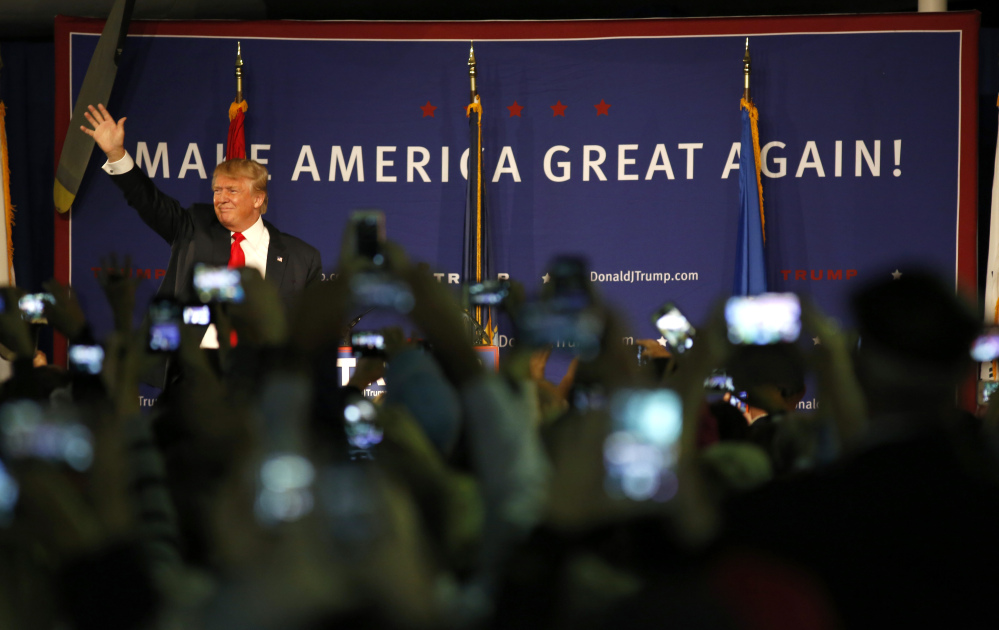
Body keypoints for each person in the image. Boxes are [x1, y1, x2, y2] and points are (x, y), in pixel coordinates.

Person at [80, 104, 322, 316]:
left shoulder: (300, 258)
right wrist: (115, 153)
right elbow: (148, 201)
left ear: (258, 199)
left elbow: (310, 331)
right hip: (195, 364)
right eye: (217, 190)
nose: (221, 198)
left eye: (232, 191)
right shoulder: (193, 227)